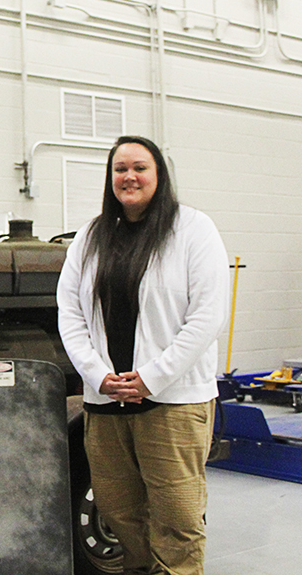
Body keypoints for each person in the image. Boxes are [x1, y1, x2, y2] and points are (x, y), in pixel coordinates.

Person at [57, 136, 229, 575]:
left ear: (159, 175)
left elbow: (207, 316)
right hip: (107, 403)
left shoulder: (193, 229)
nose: (128, 177)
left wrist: (153, 376)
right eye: (119, 169)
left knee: (177, 517)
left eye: (139, 167)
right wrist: (98, 376)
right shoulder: (91, 237)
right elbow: (70, 314)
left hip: (172, 403)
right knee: (118, 512)